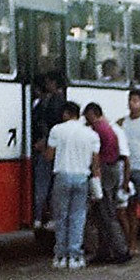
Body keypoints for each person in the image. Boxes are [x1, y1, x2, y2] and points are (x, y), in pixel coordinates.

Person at [45, 101, 101, 270]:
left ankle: (60, 256)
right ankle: (75, 256)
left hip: (62, 175)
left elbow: (49, 156)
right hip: (81, 177)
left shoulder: (57, 130)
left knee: (61, 217)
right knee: (78, 217)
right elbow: (95, 161)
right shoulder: (91, 134)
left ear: (65, 114)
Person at [83, 102, 131, 264]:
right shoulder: (108, 127)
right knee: (102, 214)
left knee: (106, 213)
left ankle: (120, 250)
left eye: (87, 116)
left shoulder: (97, 129)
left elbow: (95, 155)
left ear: (93, 113)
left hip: (104, 171)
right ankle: (105, 251)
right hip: (112, 170)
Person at [117, 89, 140, 256]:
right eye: (130, 100)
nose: (132, 104)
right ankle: (132, 243)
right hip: (128, 170)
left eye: (136, 101)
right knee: (130, 210)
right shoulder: (123, 122)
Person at [32, 72, 66, 229]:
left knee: (43, 183)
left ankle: (39, 216)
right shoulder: (54, 100)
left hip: (47, 147)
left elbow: (50, 124)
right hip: (49, 146)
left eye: (48, 82)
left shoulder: (54, 101)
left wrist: (44, 142)